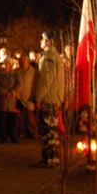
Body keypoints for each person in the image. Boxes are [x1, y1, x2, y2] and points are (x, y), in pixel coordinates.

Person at [33, 32, 65, 167]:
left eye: (43, 39)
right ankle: (49, 158)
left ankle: (51, 159)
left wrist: (38, 98)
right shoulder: (52, 56)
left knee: (48, 131)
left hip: (48, 99)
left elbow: (46, 80)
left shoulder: (49, 57)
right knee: (48, 131)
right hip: (51, 98)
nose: (40, 41)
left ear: (48, 42)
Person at [0, 59, 19, 143]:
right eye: (3, 64)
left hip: (12, 100)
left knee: (13, 120)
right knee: (2, 120)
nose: (4, 66)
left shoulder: (15, 74)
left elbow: (19, 84)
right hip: (2, 99)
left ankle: (13, 136)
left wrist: (12, 92)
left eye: (6, 64)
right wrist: (3, 92)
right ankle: (3, 136)